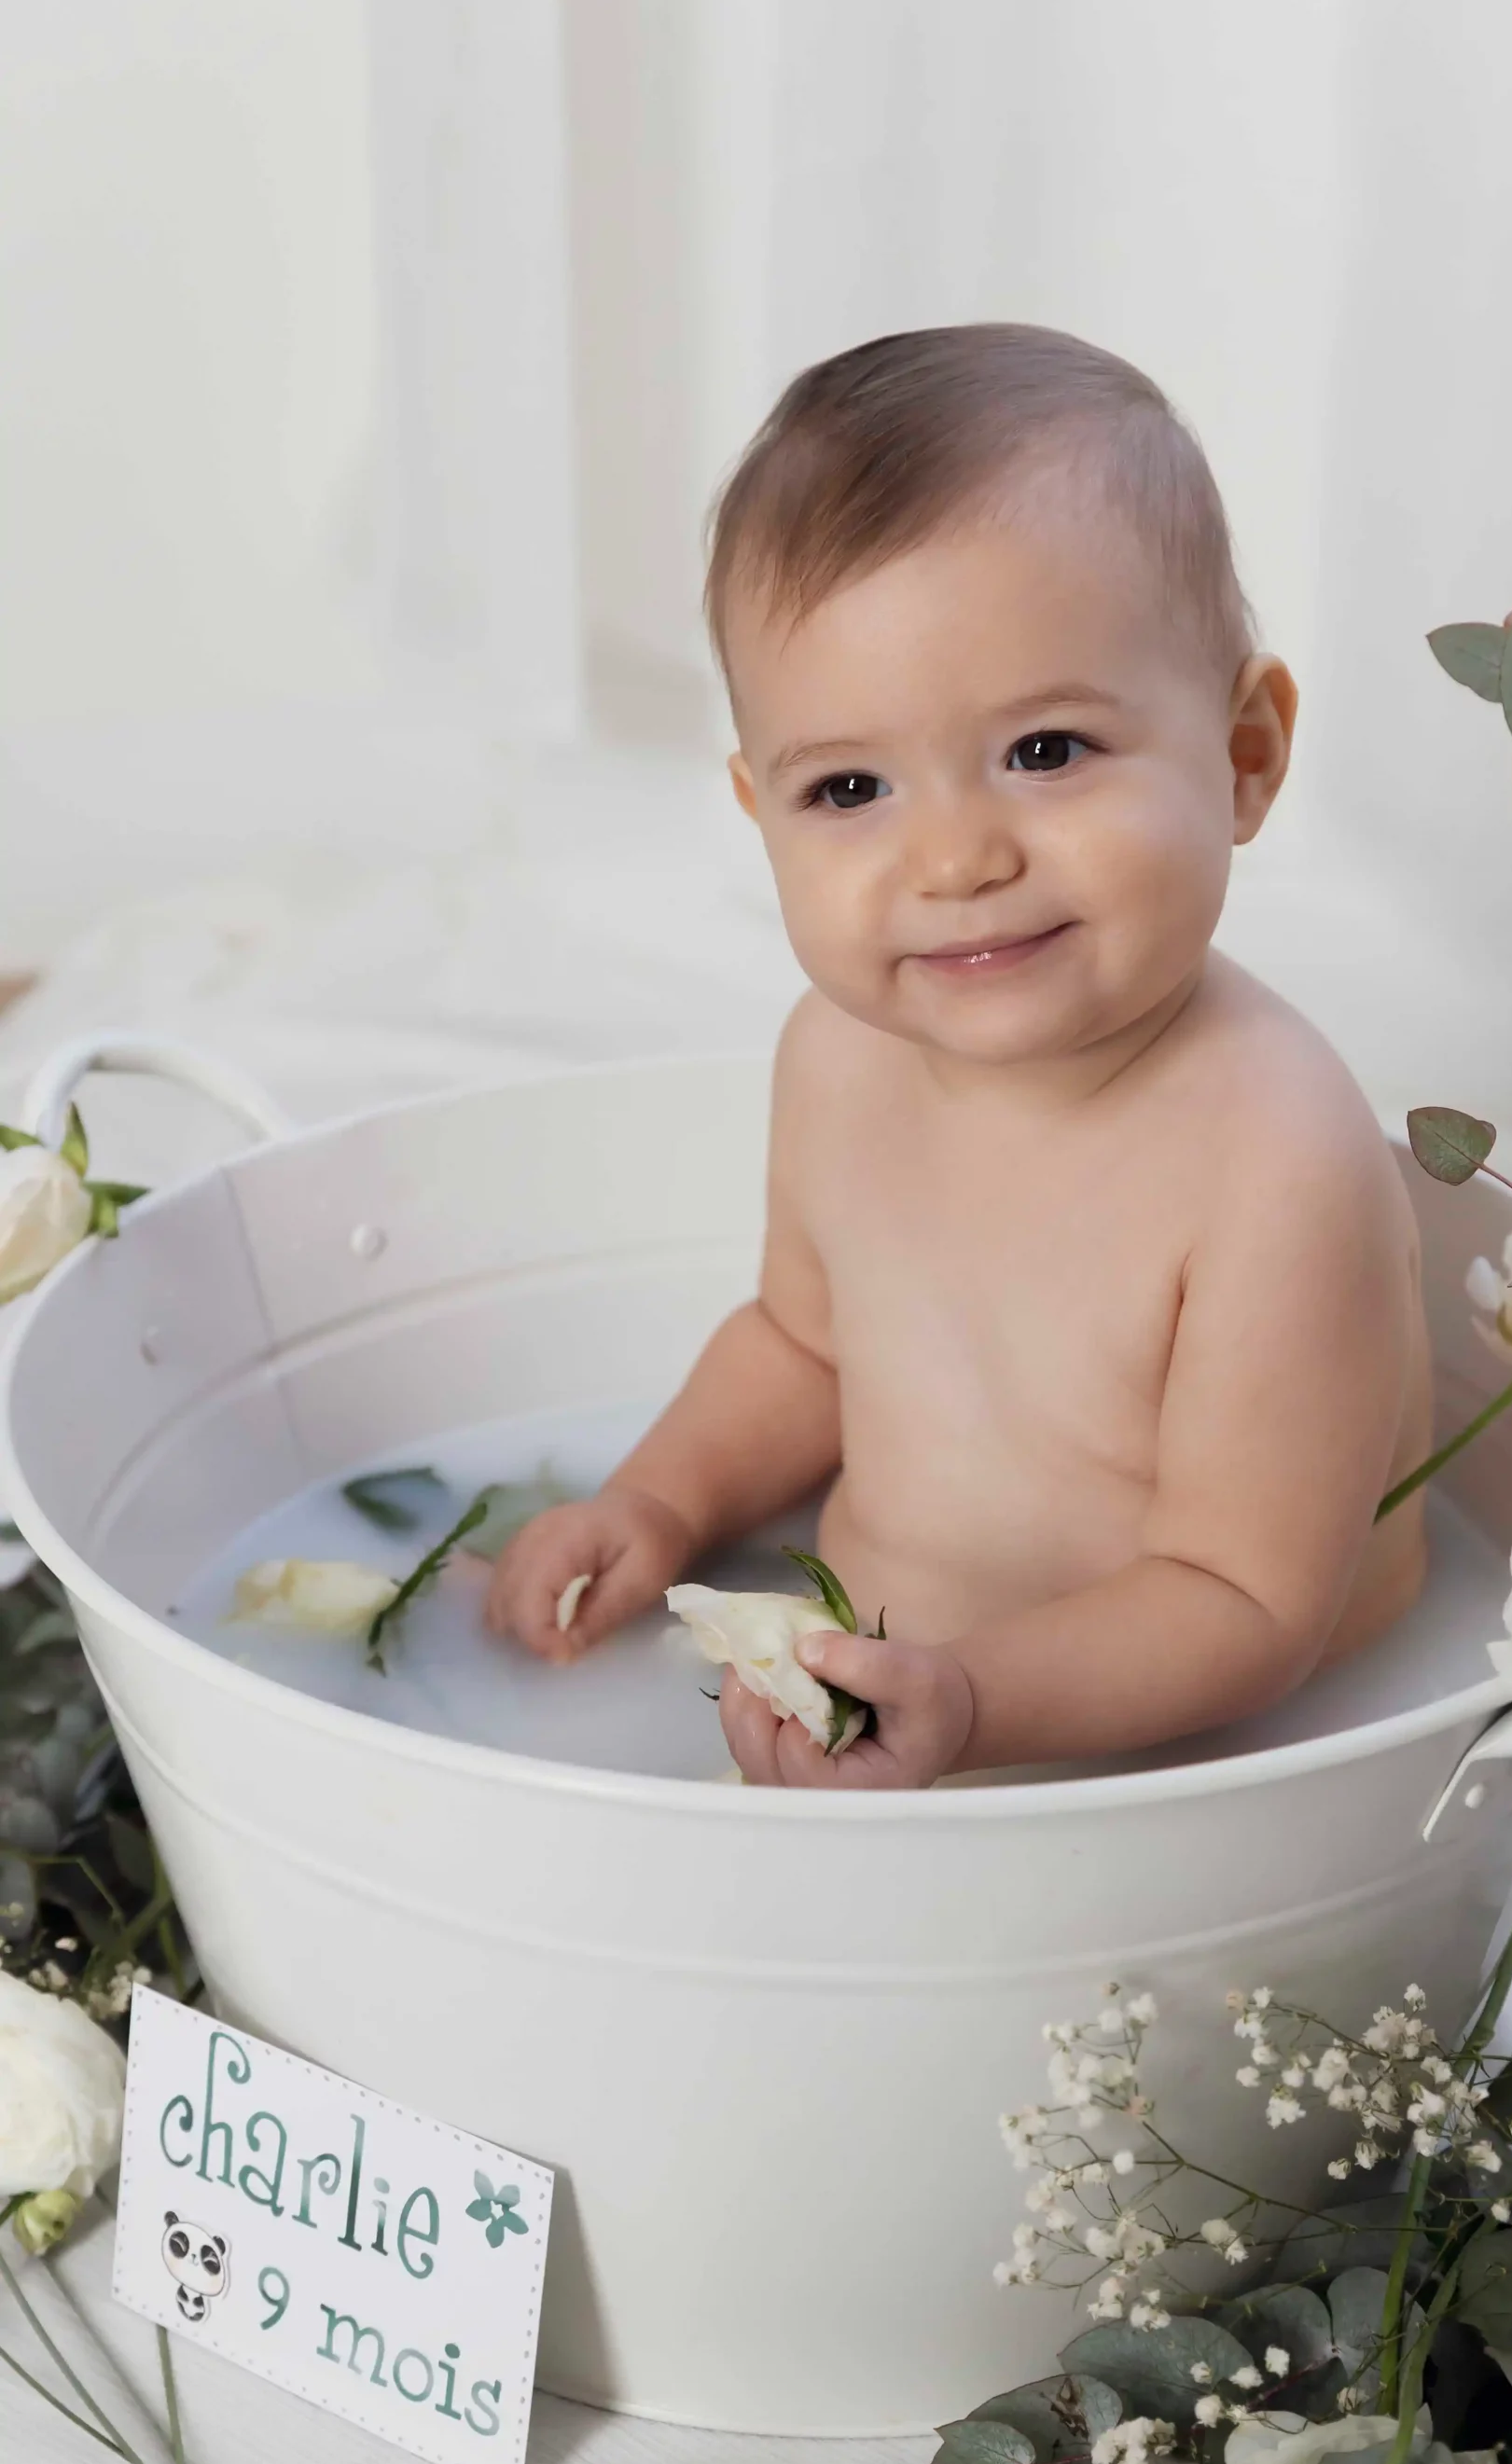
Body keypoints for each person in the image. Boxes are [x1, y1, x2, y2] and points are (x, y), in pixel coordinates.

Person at [487, 325, 1431, 1787]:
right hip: (884, 1682)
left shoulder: (1274, 1152)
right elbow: (807, 1347)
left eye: (1046, 751)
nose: (956, 858)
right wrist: (660, 1504)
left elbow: (1249, 1602)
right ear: (759, 809)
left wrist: (970, 1703)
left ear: (1243, 756)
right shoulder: (839, 1059)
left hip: (1207, 1761)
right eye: (849, 787)